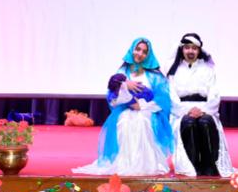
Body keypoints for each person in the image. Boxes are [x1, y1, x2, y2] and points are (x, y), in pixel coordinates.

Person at [74, 38, 175, 176]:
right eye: (138, 49)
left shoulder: (154, 75)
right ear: (132, 50)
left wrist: (142, 105)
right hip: (125, 109)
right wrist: (125, 89)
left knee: (142, 122)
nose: (140, 54)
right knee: (124, 121)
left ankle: (144, 164)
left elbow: (162, 98)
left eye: (144, 51)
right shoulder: (122, 71)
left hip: (147, 109)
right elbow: (112, 95)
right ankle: (124, 163)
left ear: (148, 55)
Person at [167, 33, 236, 177]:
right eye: (187, 48)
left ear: (199, 50)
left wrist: (203, 110)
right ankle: (192, 165)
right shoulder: (173, 71)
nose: (190, 51)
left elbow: (214, 94)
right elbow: (171, 97)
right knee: (188, 123)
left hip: (205, 110)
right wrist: (188, 110)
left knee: (205, 122)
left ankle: (210, 166)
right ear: (182, 49)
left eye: (194, 48)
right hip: (182, 112)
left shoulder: (208, 69)